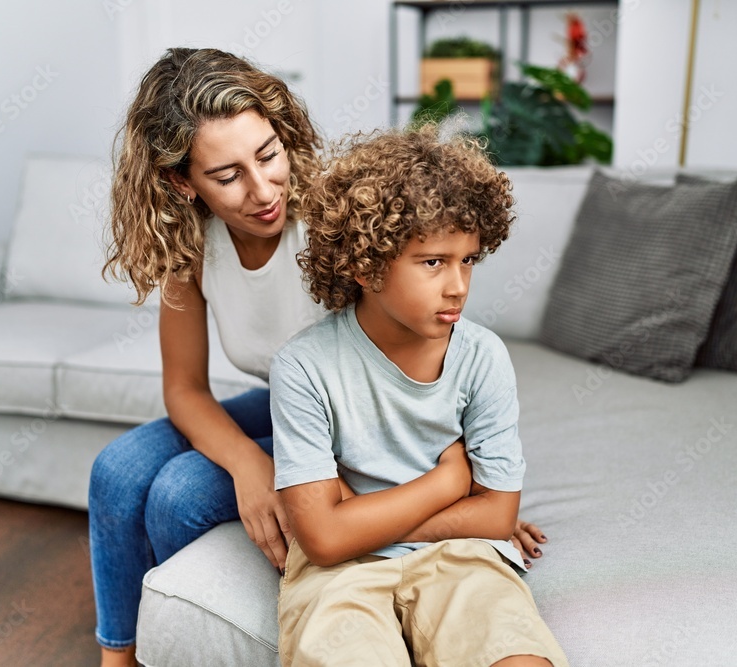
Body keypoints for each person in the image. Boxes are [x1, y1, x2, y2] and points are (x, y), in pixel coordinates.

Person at [89, 49, 548, 667]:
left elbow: (413, 360)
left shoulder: (337, 214)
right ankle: (121, 656)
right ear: (182, 182)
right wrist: (251, 468)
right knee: (116, 472)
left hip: (344, 420)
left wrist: (474, 510)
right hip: (294, 403)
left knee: (178, 495)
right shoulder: (190, 244)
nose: (262, 190)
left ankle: (202, 635)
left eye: (268, 154)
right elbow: (186, 390)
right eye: (226, 176)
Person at [271, 127, 568, 666]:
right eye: (433, 262)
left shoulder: (483, 357)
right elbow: (321, 542)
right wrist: (449, 483)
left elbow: (498, 517)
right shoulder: (302, 368)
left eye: (468, 259)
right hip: (340, 574)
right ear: (365, 265)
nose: (458, 285)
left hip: (460, 558)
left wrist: (355, 521)